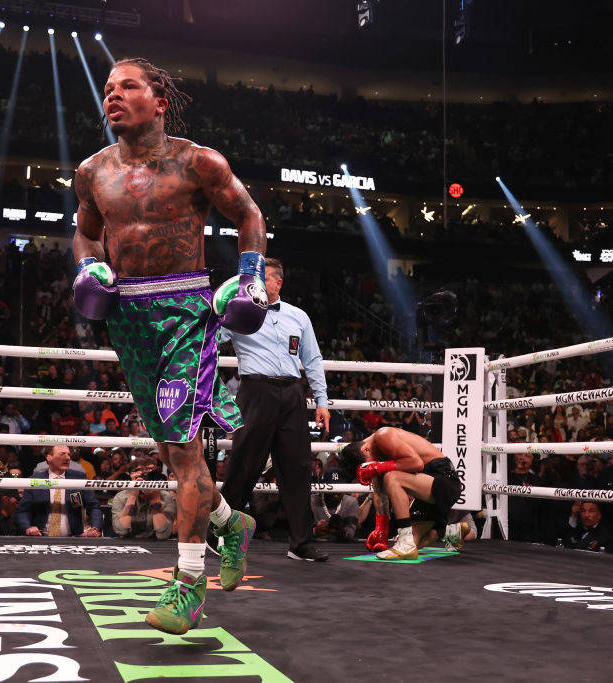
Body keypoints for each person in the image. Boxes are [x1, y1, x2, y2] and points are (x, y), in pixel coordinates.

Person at [72, 57, 268, 634]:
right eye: (107, 89)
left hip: (185, 309)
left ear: (158, 101)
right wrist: (88, 269)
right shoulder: (91, 172)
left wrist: (251, 274)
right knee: (169, 451)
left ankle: (187, 585)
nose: (112, 95)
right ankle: (231, 524)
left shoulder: (197, 161)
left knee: (183, 452)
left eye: (127, 86)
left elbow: (249, 213)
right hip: (127, 315)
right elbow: (85, 232)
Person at [219, 257, 331, 562]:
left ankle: (300, 543)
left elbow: (313, 360)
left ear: (278, 282)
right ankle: (217, 532)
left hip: (293, 394)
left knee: (297, 468)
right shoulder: (241, 311)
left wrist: (321, 401)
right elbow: (213, 340)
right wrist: (219, 311)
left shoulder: (298, 316)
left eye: (263, 278)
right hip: (256, 391)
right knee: (244, 465)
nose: (256, 284)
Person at [340, 427, 467, 559]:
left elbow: (417, 463)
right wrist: (381, 530)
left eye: (368, 464)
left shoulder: (384, 436)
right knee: (414, 541)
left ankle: (406, 544)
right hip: (425, 488)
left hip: (444, 480)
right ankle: (452, 533)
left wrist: (378, 467)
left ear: (365, 449)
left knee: (392, 477)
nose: (373, 467)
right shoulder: (373, 455)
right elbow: (380, 494)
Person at [17, 445, 103, 538]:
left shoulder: (78, 478)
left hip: (74, 539)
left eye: (68, 454)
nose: (67, 458)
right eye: (62, 454)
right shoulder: (36, 479)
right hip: (40, 538)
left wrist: (95, 528)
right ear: (49, 458)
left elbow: (93, 506)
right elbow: (24, 510)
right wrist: (28, 528)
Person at [112, 456, 177, 539]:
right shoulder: (121, 497)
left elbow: (163, 534)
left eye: (151, 473)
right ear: (132, 475)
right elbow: (121, 530)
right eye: (143, 472)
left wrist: (155, 499)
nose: (147, 478)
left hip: (157, 547)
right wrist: (133, 495)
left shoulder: (166, 497)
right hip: (129, 546)